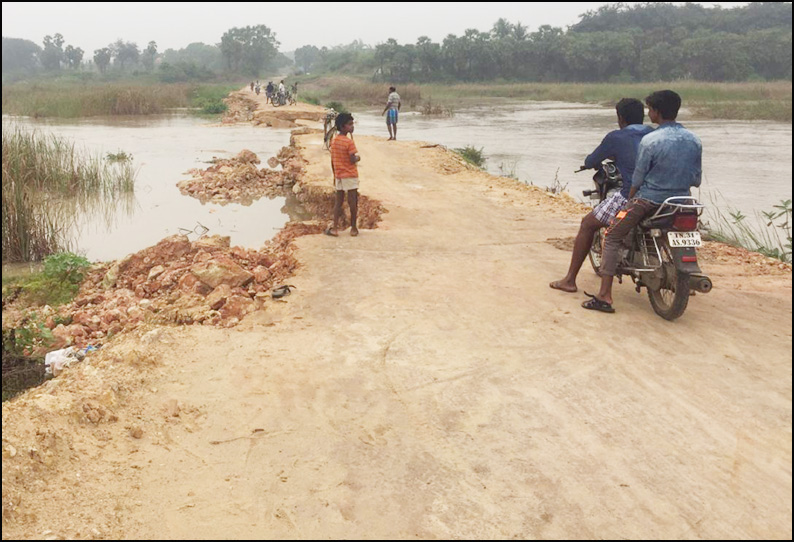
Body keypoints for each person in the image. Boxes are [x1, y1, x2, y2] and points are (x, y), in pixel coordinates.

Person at [582, 90, 702, 313]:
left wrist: (631, 199)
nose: (649, 113)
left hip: (649, 201)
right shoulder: (694, 140)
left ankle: (604, 296)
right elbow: (696, 178)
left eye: (650, 109)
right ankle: (685, 277)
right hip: (682, 201)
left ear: (656, 112)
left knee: (613, 235)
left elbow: (637, 178)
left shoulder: (651, 140)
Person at [549, 98, 653, 293]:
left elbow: (591, 159)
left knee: (587, 224)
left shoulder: (616, 137)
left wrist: (592, 162)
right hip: (657, 194)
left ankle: (570, 279)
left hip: (631, 195)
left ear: (620, 118)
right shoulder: (653, 134)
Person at [326, 113, 361, 237]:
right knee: (353, 202)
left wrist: (335, 175)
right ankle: (353, 228)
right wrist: (358, 158)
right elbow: (352, 159)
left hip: (339, 174)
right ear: (343, 126)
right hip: (350, 174)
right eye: (350, 124)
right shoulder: (349, 142)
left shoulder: (334, 141)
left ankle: (335, 228)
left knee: (338, 202)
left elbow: (333, 160)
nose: (352, 127)